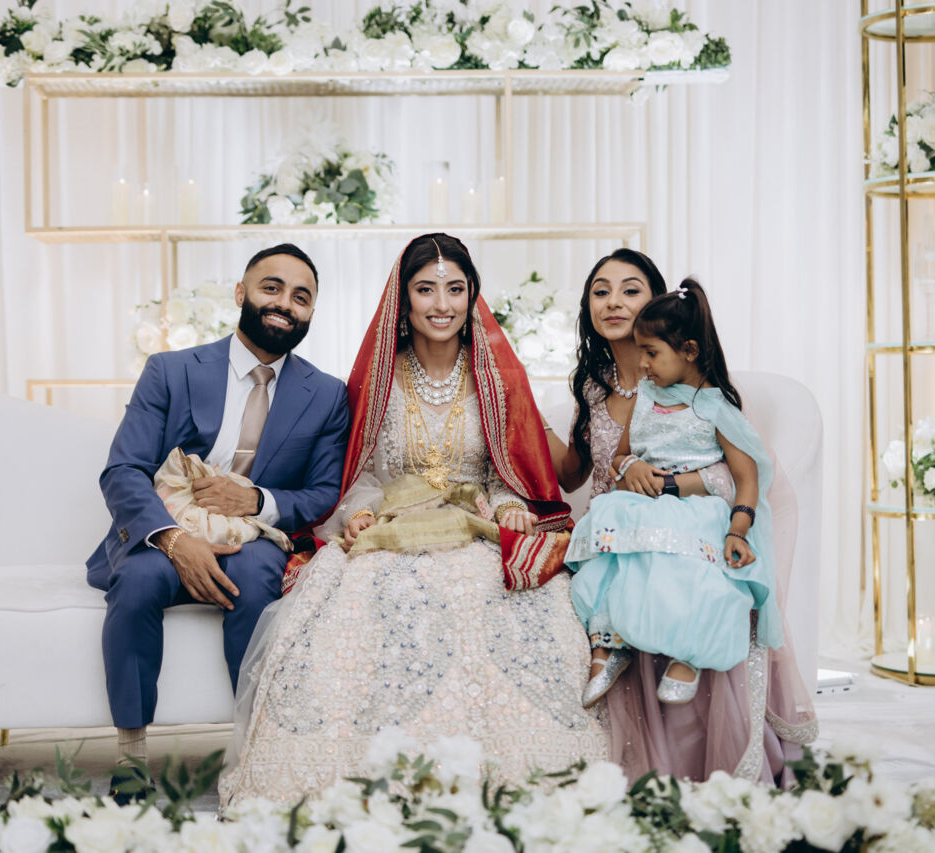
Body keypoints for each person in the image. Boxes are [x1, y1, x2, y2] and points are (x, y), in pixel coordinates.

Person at [219, 234, 609, 805]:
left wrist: (508, 506)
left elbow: (505, 469)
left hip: (476, 531)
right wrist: (360, 514)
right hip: (389, 534)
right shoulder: (376, 378)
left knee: (505, 602)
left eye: (455, 289)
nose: (441, 304)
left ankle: (511, 775)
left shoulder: (497, 379)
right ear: (403, 301)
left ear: (472, 296)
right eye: (426, 289)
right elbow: (359, 472)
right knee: (371, 601)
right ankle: (368, 776)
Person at [544, 253, 815, 784]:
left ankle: (695, 758)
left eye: (630, 289)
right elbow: (575, 474)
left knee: (686, 588)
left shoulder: (707, 394)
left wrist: (673, 487)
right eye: (601, 291)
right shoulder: (592, 388)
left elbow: (743, 476)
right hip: (619, 535)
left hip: (689, 535)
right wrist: (524, 417)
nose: (614, 301)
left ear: (659, 304)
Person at [85, 243, 350, 765]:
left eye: (301, 297)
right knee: (137, 580)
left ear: (311, 313)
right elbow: (124, 469)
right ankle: (131, 759)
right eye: (271, 288)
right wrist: (175, 541)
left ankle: (257, 757)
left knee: (255, 576)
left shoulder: (327, 394)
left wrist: (255, 499)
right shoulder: (170, 370)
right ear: (241, 293)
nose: (285, 303)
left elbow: (324, 493)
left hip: (252, 539)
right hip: (164, 530)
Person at [565, 278, 778, 703]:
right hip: (642, 504)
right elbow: (620, 455)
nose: (643, 363)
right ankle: (608, 643)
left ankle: (688, 654)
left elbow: (747, 477)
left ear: (690, 351)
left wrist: (738, 530)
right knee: (613, 561)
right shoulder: (646, 395)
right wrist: (632, 465)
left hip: (694, 510)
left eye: (651, 352)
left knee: (689, 575)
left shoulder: (715, 408)